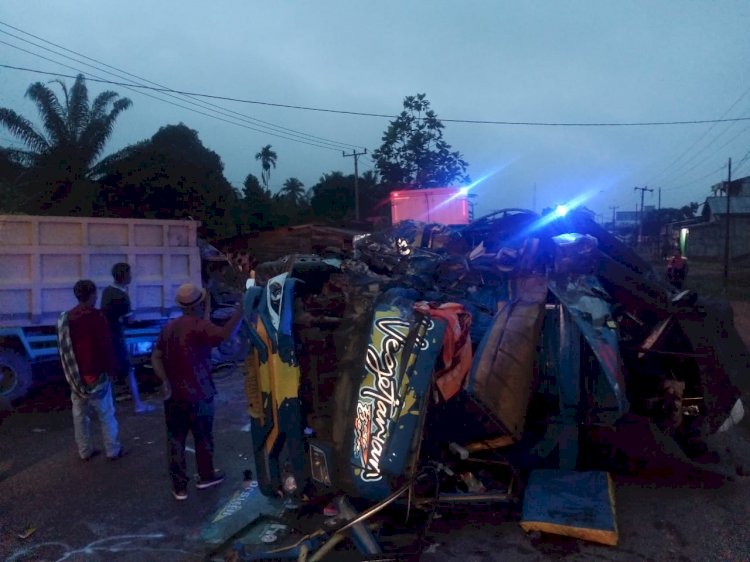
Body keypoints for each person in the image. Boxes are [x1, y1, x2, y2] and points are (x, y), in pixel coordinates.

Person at [151, 283, 244, 500]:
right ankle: (206, 476)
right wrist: (241, 311)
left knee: (175, 441)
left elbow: (155, 356)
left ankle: (180, 487)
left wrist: (165, 380)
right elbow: (225, 336)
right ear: (200, 304)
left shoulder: (168, 328)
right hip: (200, 393)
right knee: (203, 438)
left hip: (174, 396)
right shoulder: (198, 325)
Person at [57, 280, 125, 461]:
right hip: (95, 374)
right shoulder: (96, 317)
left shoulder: (66, 317)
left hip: (75, 376)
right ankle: (113, 450)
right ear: (92, 294)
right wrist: (111, 370)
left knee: (79, 415)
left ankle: (84, 451)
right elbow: (105, 347)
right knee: (106, 414)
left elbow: (64, 348)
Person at [100, 262, 155, 413]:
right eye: (130, 274)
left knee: (109, 372)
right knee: (128, 370)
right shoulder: (122, 296)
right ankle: (138, 405)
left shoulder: (107, 291)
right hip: (116, 337)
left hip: (105, 336)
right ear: (124, 276)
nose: (131, 277)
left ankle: (108, 406)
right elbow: (129, 321)